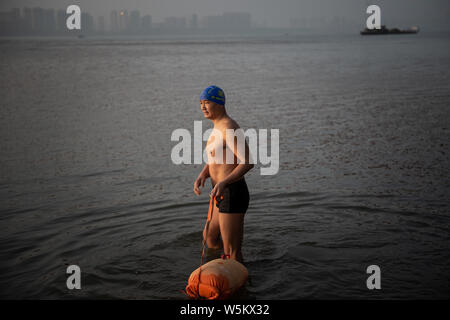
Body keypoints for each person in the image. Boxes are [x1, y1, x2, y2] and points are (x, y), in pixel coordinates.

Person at [193, 85, 253, 263]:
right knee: (210, 238)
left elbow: (248, 162)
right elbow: (216, 157)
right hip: (219, 190)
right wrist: (203, 174)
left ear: (219, 103)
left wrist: (223, 182)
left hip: (232, 191)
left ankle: (241, 282)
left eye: (207, 102)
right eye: (201, 103)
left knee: (232, 250)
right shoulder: (216, 127)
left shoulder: (228, 127)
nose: (203, 107)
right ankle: (223, 271)